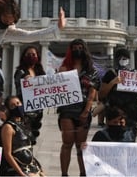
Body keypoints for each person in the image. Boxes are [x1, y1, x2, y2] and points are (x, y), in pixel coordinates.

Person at [57, 39, 100, 177]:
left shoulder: (91, 70)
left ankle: (83, 173)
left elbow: (92, 92)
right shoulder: (64, 68)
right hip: (67, 109)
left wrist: (86, 110)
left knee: (81, 146)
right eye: (74, 47)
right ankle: (64, 174)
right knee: (67, 142)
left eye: (80, 47)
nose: (77, 50)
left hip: (83, 109)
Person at [99, 48, 137, 141]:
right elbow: (101, 94)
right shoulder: (111, 74)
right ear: (116, 59)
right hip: (115, 115)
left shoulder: (134, 74)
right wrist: (113, 83)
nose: (123, 60)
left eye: (126, 58)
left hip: (131, 116)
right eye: (121, 58)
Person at [1, 96, 44, 176]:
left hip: (31, 165)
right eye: (13, 105)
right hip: (18, 167)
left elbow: (29, 149)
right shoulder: (8, 127)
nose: (17, 107)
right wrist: (21, 173)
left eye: (18, 103)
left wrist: (39, 168)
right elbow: (7, 154)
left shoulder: (24, 124)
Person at [14, 45, 46, 144]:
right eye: (28, 54)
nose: (31, 56)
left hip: (37, 109)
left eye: (33, 54)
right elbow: (20, 81)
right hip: (25, 108)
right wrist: (26, 79)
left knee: (33, 135)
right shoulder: (20, 71)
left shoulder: (40, 71)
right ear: (24, 56)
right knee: (24, 135)